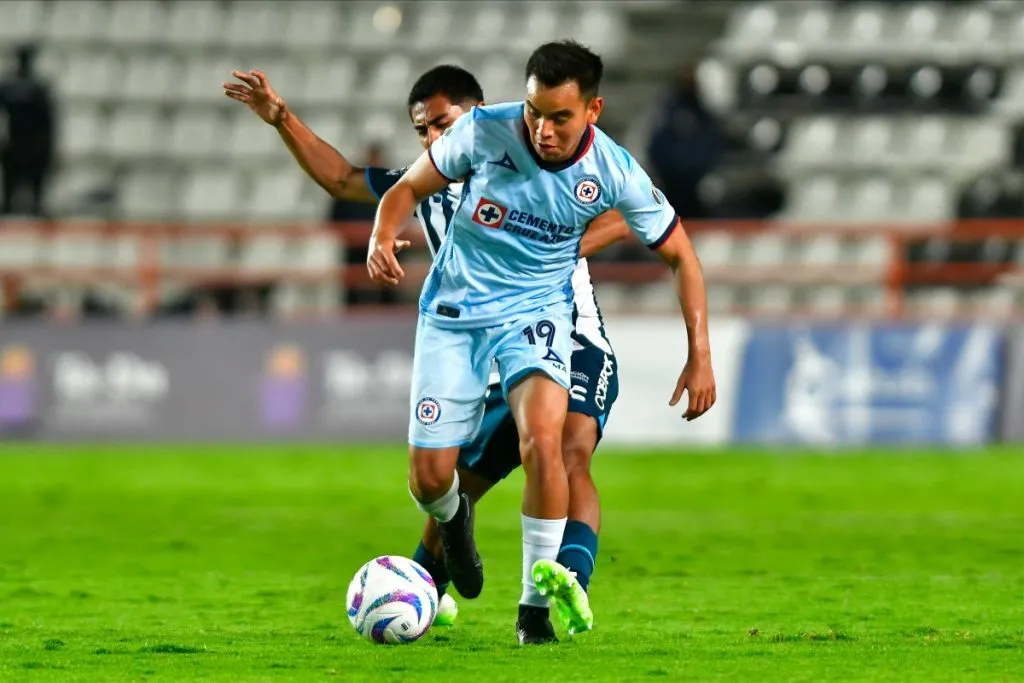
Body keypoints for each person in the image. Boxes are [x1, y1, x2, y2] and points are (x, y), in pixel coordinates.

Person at [223, 63, 643, 642]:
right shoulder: (430, 184)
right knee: (456, 480)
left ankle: (560, 588)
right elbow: (344, 178)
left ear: (478, 116)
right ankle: (422, 586)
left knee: (568, 453)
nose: (433, 140)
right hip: (490, 350)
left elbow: (621, 217)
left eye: (443, 124)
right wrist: (282, 119)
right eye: (422, 131)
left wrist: (549, 251)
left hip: (572, 338)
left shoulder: (530, 168)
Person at [366, 41, 716, 644]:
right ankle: (453, 527)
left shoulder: (613, 171)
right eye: (534, 113)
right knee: (429, 480)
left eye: (560, 117)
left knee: (544, 441)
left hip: (538, 315)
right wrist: (379, 234)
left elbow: (681, 254)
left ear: (593, 111)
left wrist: (700, 354)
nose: (543, 130)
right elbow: (405, 190)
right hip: (455, 314)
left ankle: (534, 611)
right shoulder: (483, 131)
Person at [0, 44, 56, 217]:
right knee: (11, 193)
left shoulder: (37, 88)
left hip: (30, 146)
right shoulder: (12, 87)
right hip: (16, 144)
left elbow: (47, 121)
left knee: (34, 196)